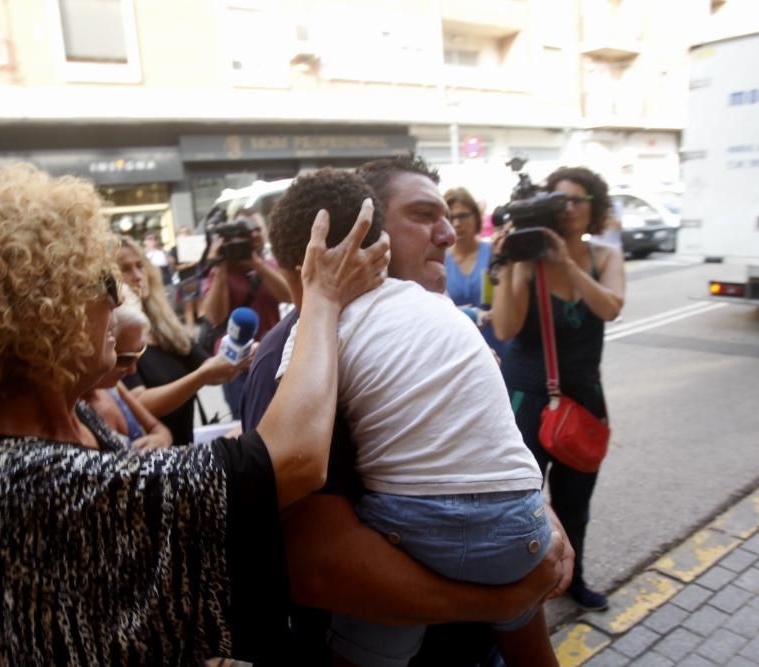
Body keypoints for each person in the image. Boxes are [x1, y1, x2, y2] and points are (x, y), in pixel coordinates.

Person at [0, 163, 388, 665]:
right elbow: (291, 460)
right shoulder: (10, 478)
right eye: (105, 281)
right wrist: (321, 298)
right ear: (46, 311)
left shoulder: (70, 418)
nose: (123, 298)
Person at [242, 155, 573, 667]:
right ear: (363, 236)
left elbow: (488, 460)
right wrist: (505, 596)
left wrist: (539, 517)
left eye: (449, 217)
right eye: (422, 216)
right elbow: (320, 565)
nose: (447, 233)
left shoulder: (438, 321)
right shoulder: (303, 358)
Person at [492, 166, 626, 611]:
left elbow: (610, 307)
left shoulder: (604, 257)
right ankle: (518, 590)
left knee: (575, 501)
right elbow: (507, 326)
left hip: (584, 398)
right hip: (527, 398)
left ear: (594, 208)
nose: (567, 209)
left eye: (576, 201)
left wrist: (566, 262)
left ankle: (574, 580)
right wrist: (512, 266)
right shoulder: (526, 258)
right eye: (558, 201)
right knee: (521, 502)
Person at [117, 237, 247, 444]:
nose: (138, 276)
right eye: (125, 269)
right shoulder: (116, 336)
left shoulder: (165, 326)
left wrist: (240, 356)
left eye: (140, 266)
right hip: (149, 455)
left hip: (183, 447)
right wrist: (201, 376)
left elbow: (211, 370)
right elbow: (138, 403)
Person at [199, 207, 291, 417]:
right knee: (246, 421)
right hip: (235, 363)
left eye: (256, 229)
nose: (253, 235)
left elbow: (288, 295)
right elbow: (216, 317)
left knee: (276, 417)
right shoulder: (219, 271)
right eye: (244, 232)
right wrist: (220, 267)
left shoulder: (270, 265)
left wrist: (256, 263)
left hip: (269, 356)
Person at [83, 303, 173, 452]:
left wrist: (161, 439)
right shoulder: (77, 410)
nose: (132, 370)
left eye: (139, 354)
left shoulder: (114, 387)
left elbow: (159, 429)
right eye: (125, 359)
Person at [444, 187, 509, 357]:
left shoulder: (495, 253)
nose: (457, 224)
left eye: (463, 216)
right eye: (451, 217)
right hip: (460, 350)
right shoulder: (439, 261)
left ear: (476, 216)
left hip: (499, 345)